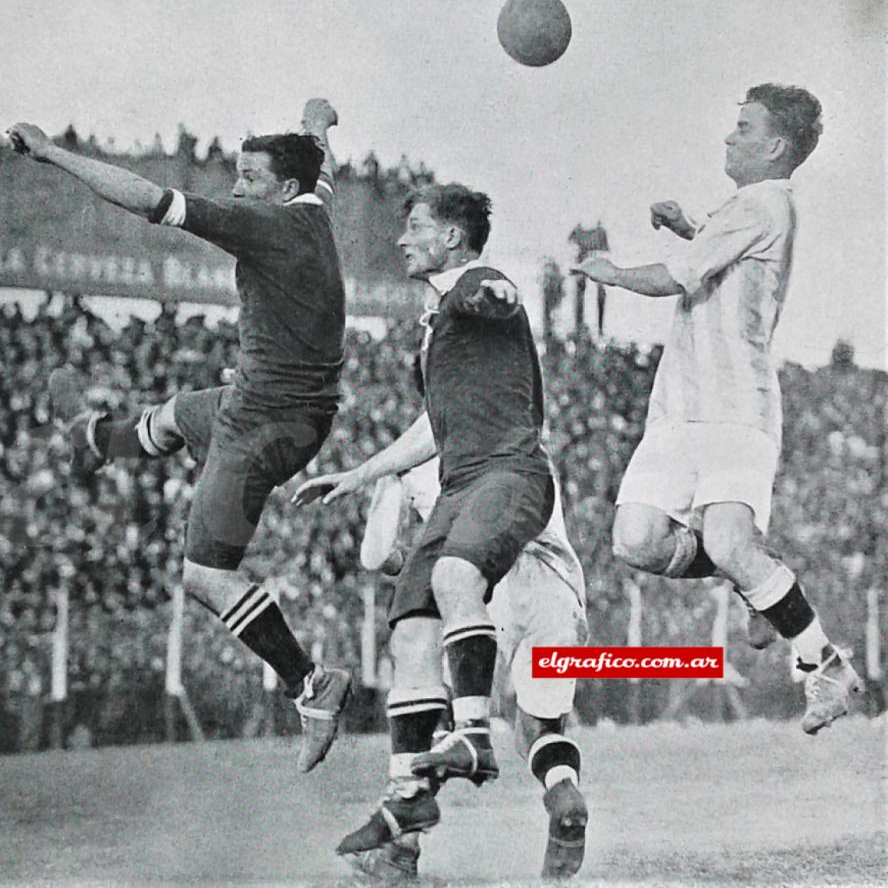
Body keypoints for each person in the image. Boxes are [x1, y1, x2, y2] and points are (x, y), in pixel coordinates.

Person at [8, 99, 352, 771]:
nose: (236, 188)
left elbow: (146, 200)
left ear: (280, 190)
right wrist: (317, 124)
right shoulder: (312, 208)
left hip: (261, 425)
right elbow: (322, 167)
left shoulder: (267, 224)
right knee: (170, 417)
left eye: (248, 176)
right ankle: (95, 438)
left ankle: (307, 682)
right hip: (270, 404)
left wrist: (50, 152)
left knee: (202, 575)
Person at [572, 83, 863, 734]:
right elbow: (724, 259)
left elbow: (675, 278)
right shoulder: (751, 211)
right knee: (636, 542)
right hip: (677, 411)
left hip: (736, 408)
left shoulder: (762, 201)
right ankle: (753, 575)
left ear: (775, 146)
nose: (730, 137)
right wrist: (689, 228)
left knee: (729, 542)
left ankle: (825, 666)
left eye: (743, 127)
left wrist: (612, 272)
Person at [293, 183, 559, 855]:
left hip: (510, 472)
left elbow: (500, 295)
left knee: (452, 575)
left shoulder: (474, 284)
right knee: (409, 630)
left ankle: (473, 734)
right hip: (460, 484)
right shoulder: (435, 323)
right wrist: (362, 473)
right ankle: (407, 804)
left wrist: (489, 293)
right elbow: (432, 426)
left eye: (415, 227)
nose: (402, 238)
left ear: (450, 237)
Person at [349, 370, 589, 880]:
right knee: (539, 725)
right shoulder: (519, 430)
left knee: (438, 716)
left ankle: (401, 849)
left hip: (484, 589)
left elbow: (378, 558)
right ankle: (563, 792)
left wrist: (404, 550)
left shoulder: (409, 458)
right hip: (558, 588)